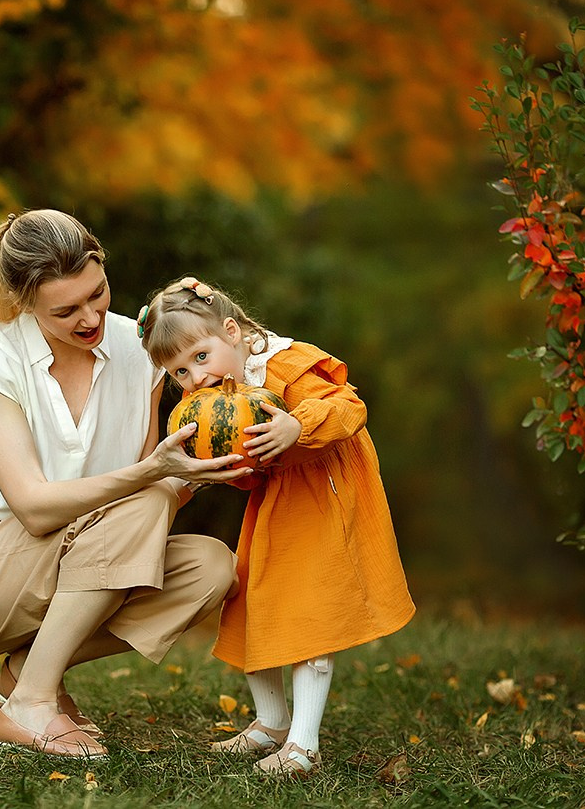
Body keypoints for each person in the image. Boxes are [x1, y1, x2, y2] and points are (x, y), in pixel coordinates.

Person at [0, 212, 246, 761]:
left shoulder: (136, 346)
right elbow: (32, 509)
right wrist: (154, 475)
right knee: (143, 494)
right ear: (24, 303)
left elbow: (158, 483)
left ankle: (28, 673)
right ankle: (30, 703)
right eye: (65, 309)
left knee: (210, 569)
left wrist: (209, 468)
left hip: (88, 551)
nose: (90, 315)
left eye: (97, 293)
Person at [137, 276, 416, 776]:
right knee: (252, 599)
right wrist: (227, 468)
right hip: (278, 500)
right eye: (179, 371)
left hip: (325, 493)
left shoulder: (284, 363)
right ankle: (271, 723)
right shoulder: (215, 397)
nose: (194, 377)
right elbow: (251, 462)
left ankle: (304, 746)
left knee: (309, 612)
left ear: (233, 332)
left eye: (200, 357)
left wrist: (296, 426)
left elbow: (350, 407)